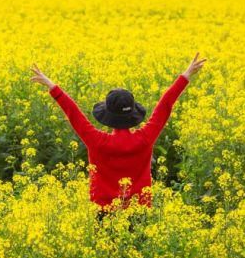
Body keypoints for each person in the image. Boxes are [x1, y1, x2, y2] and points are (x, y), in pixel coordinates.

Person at [31, 53, 206, 224]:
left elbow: (74, 114)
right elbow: (164, 106)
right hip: (140, 211)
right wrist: (185, 75)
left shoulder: (97, 142)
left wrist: (52, 86)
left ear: (107, 115)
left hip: (104, 213)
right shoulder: (144, 139)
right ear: (133, 114)